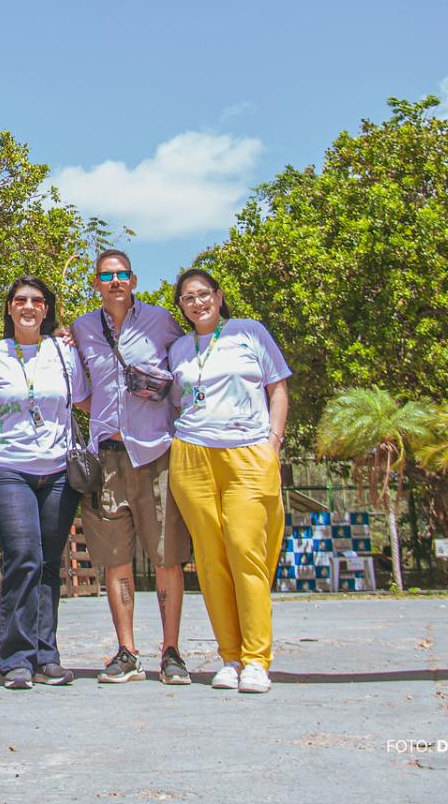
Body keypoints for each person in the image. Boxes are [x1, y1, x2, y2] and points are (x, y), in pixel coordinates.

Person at [71, 249, 194, 685]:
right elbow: (78, 391)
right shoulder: (83, 328)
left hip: (155, 453)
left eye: (122, 274)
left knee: (166, 557)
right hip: (107, 457)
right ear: (96, 284)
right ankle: (126, 651)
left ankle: (172, 651)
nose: (115, 281)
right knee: (116, 561)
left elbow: (185, 367)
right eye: (107, 276)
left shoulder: (161, 321)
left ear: (135, 280)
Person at [165, 268, 290, 695]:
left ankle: (257, 659)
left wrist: (272, 443)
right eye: (187, 298)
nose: (197, 303)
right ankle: (230, 657)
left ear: (219, 296)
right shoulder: (179, 348)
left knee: (245, 552)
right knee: (211, 560)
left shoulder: (248, 332)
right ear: (180, 307)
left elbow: (278, 389)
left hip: (248, 452)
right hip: (192, 455)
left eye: (203, 294)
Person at [0, 276, 89, 689]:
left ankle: (45, 654)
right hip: (6, 467)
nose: (29, 306)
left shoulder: (65, 353)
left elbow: (85, 399)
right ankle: (16, 658)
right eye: (20, 299)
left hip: (58, 470)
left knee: (50, 563)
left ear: (47, 308)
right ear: (9, 308)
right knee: (23, 555)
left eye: (37, 300)